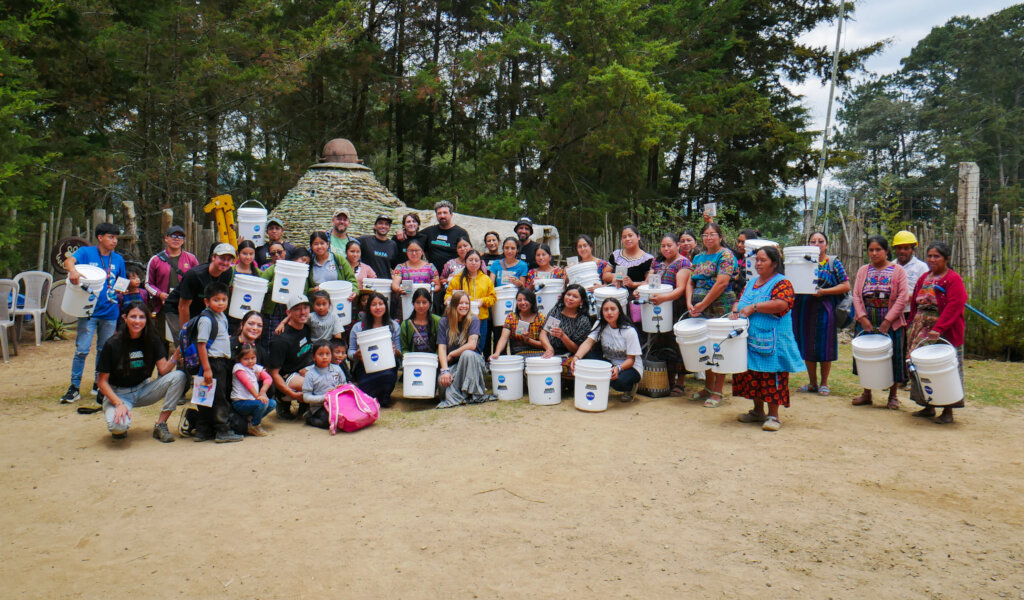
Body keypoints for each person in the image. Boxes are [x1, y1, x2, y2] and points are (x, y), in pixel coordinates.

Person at [730, 246, 805, 431]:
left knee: (772, 376)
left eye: (763, 260)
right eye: (757, 260)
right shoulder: (752, 282)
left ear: (774, 263)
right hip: (752, 338)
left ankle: (774, 416)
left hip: (774, 340)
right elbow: (741, 299)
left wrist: (754, 308)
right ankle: (757, 411)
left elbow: (781, 304)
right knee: (754, 375)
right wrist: (735, 310)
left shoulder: (782, 283)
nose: (758, 264)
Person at [96, 302, 186, 442]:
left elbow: (163, 369)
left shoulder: (152, 339)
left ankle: (160, 424)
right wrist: (118, 403)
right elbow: (101, 381)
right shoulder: (112, 344)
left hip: (143, 389)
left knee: (179, 376)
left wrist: (175, 357)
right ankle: (113, 411)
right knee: (118, 428)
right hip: (119, 394)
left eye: (141, 317)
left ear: (147, 319)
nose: (137, 321)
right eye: (133, 317)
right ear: (125, 318)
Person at [60, 222, 128, 404]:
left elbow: (122, 281)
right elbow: (68, 261)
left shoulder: (118, 259)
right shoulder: (86, 253)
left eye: (116, 238)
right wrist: (73, 271)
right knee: (82, 349)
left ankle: (99, 385)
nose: (114, 241)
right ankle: (74, 388)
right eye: (110, 237)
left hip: (110, 311)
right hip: (87, 311)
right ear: (100, 237)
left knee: (104, 350)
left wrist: (122, 290)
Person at [907, 241, 968, 424]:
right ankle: (928, 405)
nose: (932, 259)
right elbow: (914, 303)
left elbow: (955, 305)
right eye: (930, 256)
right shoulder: (924, 277)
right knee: (919, 366)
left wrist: (939, 328)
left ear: (946, 259)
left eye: (937, 256)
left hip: (943, 331)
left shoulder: (953, 279)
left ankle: (948, 410)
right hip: (921, 327)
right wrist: (911, 323)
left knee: (944, 369)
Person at [852, 235, 909, 410]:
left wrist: (888, 320)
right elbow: (856, 295)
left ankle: (892, 396)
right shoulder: (863, 271)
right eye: (871, 250)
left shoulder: (898, 271)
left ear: (886, 251)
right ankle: (867, 393)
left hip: (890, 321)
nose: (874, 253)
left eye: (878, 250)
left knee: (892, 357)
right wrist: (862, 318)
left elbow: (902, 296)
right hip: (867, 319)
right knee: (867, 357)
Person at [791, 232, 850, 396]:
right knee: (807, 344)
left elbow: (846, 285)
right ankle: (812, 383)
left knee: (825, 345)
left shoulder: (832, 263)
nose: (817, 244)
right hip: (804, 308)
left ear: (826, 244)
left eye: (821, 241)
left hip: (825, 307)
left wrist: (824, 291)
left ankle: (824, 383)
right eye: (813, 241)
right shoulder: (800, 262)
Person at [686, 222, 739, 406]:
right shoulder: (699, 257)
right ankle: (708, 387)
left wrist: (703, 303)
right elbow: (690, 281)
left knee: (719, 346)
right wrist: (689, 302)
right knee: (705, 345)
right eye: (705, 234)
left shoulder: (726, 255)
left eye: (712, 234)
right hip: (700, 307)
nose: (709, 237)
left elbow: (722, 283)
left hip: (720, 306)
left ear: (720, 237)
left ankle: (717, 390)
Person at [642, 234, 693, 396]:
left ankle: (680, 382)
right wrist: (640, 292)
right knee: (662, 342)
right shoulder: (657, 262)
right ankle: (668, 380)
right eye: (663, 246)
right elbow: (647, 283)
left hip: (676, 308)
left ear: (677, 246)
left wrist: (663, 298)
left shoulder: (683, 263)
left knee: (678, 344)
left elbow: (680, 289)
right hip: (657, 308)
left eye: (669, 245)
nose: (666, 249)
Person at [192, 281, 243, 443]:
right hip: (213, 364)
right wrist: (207, 368)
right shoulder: (206, 320)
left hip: (219, 362)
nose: (221, 303)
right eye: (216, 300)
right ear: (207, 301)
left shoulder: (220, 316)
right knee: (218, 397)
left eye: (224, 299)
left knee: (207, 396)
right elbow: (201, 345)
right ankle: (222, 430)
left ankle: (203, 430)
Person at [571, 297, 643, 402]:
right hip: (610, 363)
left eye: (613, 309)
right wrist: (576, 358)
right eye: (606, 309)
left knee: (618, 382)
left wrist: (618, 368)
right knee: (586, 357)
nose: (609, 312)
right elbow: (588, 342)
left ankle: (630, 387)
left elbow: (631, 360)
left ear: (619, 311)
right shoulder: (600, 324)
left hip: (629, 367)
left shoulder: (629, 331)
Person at [436, 291, 494, 408]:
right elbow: (441, 348)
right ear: (453, 305)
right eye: (460, 303)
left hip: (473, 363)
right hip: (454, 366)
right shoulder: (444, 322)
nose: (464, 306)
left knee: (467, 354)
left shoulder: (474, 319)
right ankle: (464, 395)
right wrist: (445, 370)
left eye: (466, 303)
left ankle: (471, 394)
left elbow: (472, 345)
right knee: (443, 387)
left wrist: (452, 354)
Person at [145, 225, 200, 344]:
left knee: (185, 338)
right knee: (161, 340)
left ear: (184, 240)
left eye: (180, 236)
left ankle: (183, 362)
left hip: (185, 306)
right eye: (173, 236)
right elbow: (148, 284)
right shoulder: (156, 259)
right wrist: (160, 295)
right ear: (166, 239)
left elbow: (198, 280)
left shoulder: (191, 259)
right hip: (163, 306)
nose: (177, 239)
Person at [348, 292, 401, 407]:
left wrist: (394, 351)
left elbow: (399, 352)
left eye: (381, 304)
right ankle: (371, 397)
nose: (378, 307)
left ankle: (385, 396)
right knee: (367, 385)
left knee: (387, 376)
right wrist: (356, 355)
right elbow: (350, 352)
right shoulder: (358, 327)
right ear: (368, 307)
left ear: (386, 306)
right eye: (373, 305)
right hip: (365, 367)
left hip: (387, 366)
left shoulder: (394, 326)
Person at [267, 293, 314, 420]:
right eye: (298, 309)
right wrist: (292, 395)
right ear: (289, 312)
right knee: (314, 385)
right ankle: (283, 400)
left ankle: (306, 405)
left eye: (305, 308)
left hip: (305, 368)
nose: (303, 312)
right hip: (287, 376)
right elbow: (274, 373)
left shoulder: (307, 326)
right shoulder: (281, 340)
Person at [258, 247, 312, 351]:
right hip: (273, 310)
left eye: (307, 262)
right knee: (270, 337)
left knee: (286, 339)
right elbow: (261, 284)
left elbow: (303, 295)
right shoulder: (278, 267)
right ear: (294, 258)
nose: (304, 263)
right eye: (302, 259)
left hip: (291, 311)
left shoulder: (303, 275)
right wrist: (276, 284)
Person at [444, 250, 496, 353]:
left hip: (481, 319)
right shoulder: (458, 278)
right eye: (470, 260)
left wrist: (483, 301)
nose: (473, 263)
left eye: (476, 260)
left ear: (480, 263)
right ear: (465, 262)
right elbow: (448, 294)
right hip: (461, 319)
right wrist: (448, 298)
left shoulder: (486, 279)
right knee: (463, 346)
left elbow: (493, 298)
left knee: (479, 347)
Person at [174, 243, 236, 329]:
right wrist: (185, 332)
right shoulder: (194, 275)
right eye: (222, 258)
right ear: (213, 257)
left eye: (229, 260)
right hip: (178, 307)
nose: (225, 263)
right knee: (183, 338)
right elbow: (183, 306)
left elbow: (219, 298)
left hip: (201, 309)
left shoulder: (227, 272)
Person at [540, 284, 593, 375]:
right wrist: (549, 348)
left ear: (581, 302)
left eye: (575, 297)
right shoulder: (556, 310)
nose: (570, 298)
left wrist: (563, 336)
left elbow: (577, 349)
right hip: (550, 350)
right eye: (568, 295)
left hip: (569, 354)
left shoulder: (582, 320)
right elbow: (543, 333)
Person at [230, 343, 276, 436]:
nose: (250, 361)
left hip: (253, 400)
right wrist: (258, 396)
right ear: (239, 359)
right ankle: (254, 425)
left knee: (272, 403)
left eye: (252, 358)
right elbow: (247, 383)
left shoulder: (256, 367)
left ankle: (251, 421)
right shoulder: (238, 368)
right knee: (261, 404)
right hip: (240, 402)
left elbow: (268, 378)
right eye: (246, 359)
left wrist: (262, 392)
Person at [302, 341, 348, 428]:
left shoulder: (337, 369)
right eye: (320, 354)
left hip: (338, 403)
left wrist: (341, 388)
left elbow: (345, 385)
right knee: (329, 421)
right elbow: (306, 397)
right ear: (313, 357)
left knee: (346, 416)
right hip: (319, 407)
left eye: (327, 354)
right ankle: (309, 418)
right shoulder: (310, 374)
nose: (324, 357)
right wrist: (325, 397)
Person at [490, 288, 546, 358]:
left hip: (539, 353)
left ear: (532, 301)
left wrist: (529, 340)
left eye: (526, 300)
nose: (523, 303)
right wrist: (497, 353)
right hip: (518, 354)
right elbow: (503, 338)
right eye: (519, 300)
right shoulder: (511, 317)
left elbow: (546, 344)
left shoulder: (541, 318)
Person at [420, 200, 470, 274]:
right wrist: (402, 231)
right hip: (433, 275)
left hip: (453, 276)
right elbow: (413, 238)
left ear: (451, 215)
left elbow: (469, 253)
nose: (442, 216)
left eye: (445, 213)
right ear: (436, 215)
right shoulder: (429, 231)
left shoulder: (461, 233)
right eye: (439, 213)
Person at [391, 240, 441, 307]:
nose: (414, 253)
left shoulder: (430, 267)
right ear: (406, 251)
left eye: (417, 250)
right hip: (406, 301)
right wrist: (399, 289)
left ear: (422, 251)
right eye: (411, 251)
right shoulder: (400, 267)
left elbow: (437, 285)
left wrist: (430, 291)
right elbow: (395, 284)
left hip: (425, 302)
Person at [609, 225, 653, 295]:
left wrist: (633, 284)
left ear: (638, 237)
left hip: (636, 296)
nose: (627, 239)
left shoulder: (647, 260)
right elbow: (605, 275)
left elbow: (649, 283)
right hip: (616, 294)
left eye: (630, 235)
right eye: (624, 237)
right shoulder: (616, 255)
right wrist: (614, 276)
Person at [893, 230, 929, 316]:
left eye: (906, 248)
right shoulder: (890, 267)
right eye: (899, 248)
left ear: (912, 250)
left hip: (913, 311)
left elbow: (927, 291)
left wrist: (906, 297)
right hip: (893, 313)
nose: (902, 251)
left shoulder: (921, 267)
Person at [357, 214, 398, 280]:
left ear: (389, 228)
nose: (383, 226)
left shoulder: (393, 245)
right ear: (375, 226)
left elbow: (396, 267)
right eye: (380, 223)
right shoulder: (364, 240)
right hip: (368, 282)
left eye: (386, 224)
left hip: (385, 283)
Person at [400, 288, 441, 354]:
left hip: (433, 361)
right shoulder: (405, 325)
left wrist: (435, 358)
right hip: (413, 361)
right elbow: (404, 349)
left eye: (424, 302)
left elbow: (441, 346)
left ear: (430, 303)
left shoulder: (438, 321)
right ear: (413, 303)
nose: (421, 306)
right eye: (417, 302)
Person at [731, 228, 758, 298]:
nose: (739, 245)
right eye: (738, 241)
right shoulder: (734, 256)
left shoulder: (757, 261)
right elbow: (722, 244)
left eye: (743, 242)